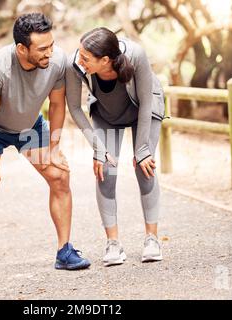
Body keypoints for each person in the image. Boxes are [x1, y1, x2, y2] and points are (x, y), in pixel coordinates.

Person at [0, 13, 90, 287]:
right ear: (22, 48)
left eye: (51, 45)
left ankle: (65, 251)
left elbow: (57, 104)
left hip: (29, 127)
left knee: (59, 176)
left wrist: (55, 147)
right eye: (42, 48)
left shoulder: (57, 60)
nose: (50, 52)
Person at [66, 27, 166, 266]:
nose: (80, 60)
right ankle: (113, 244)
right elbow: (75, 108)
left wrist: (142, 149)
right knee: (105, 173)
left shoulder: (136, 55)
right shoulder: (77, 65)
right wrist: (98, 149)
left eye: (86, 58)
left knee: (145, 168)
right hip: (107, 113)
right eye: (80, 54)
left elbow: (145, 103)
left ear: (105, 60)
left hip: (143, 108)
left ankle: (152, 239)